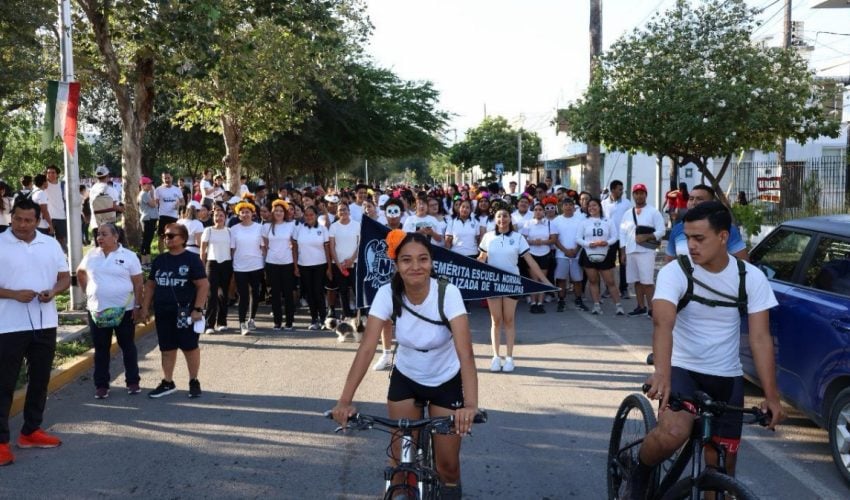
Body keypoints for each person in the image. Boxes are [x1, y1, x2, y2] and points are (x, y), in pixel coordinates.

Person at [625, 201, 785, 499]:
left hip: (726, 377)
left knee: (719, 469)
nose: (691, 246)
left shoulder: (750, 277)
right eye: (687, 238)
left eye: (700, 238)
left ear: (723, 237)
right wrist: (661, 372)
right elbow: (663, 322)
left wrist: (771, 397)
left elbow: (760, 338)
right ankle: (640, 470)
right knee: (673, 433)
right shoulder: (676, 272)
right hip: (682, 369)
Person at [332, 231, 478, 499]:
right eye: (407, 260)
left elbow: (465, 353)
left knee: (448, 467)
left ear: (432, 262)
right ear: (396, 264)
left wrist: (470, 406)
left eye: (423, 259)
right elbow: (366, 349)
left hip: (445, 379)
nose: (415, 266)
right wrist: (344, 400)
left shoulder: (448, 293)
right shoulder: (388, 293)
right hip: (407, 376)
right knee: (399, 462)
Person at [0, 198, 70, 465]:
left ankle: (30, 431)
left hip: (44, 323)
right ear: (11, 217)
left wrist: (52, 292)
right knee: (4, 384)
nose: (23, 224)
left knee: (40, 380)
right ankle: (1, 441)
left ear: (38, 220)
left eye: (29, 220)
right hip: (7, 326)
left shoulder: (50, 244)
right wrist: (12, 294)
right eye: (18, 219)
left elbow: (64, 277)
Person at [478, 204, 551, 372]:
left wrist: (544, 280)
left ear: (510, 219)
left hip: (512, 282)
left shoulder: (518, 238)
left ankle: (509, 357)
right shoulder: (488, 237)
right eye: (499, 217)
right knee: (495, 321)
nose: (502, 219)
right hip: (493, 282)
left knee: (509, 320)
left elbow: (530, 260)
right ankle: (496, 357)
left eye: (505, 216)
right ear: (494, 220)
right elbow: (481, 258)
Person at [140, 223, 209, 399]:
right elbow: (150, 285)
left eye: (171, 236)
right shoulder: (160, 260)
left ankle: (194, 381)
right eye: (165, 235)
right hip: (163, 312)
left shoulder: (192, 260)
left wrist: (197, 309)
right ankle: (168, 382)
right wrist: (145, 308)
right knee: (167, 348)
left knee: (189, 347)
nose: (167, 239)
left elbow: (203, 285)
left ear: (184, 239)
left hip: (185, 313)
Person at [77, 223, 144, 399]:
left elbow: (138, 283)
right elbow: (80, 274)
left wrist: (138, 306)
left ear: (116, 237)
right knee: (101, 349)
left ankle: (133, 381)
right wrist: (89, 292)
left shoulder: (129, 257)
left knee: (127, 346)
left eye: (104, 234)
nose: (99, 237)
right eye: (98, 234)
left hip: (124, 311)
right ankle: (101, 385)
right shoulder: (91, 255)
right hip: (97, 311)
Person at [665, 184, 749, 263]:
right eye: (691, 199)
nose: (694, 203)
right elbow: (669, 260)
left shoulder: (726, 229)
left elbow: (743, 262)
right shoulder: (677, 229)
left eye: (700, 199)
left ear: (711, 202)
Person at [618, 184, 665, 318]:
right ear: (633, 195)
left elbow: (661, 231)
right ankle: (640, 306)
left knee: (647, 281)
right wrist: (622, 252)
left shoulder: (653, 212)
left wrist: (647, 236)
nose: (639, 196)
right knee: (636, 280)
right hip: (630, 250)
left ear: (646, 195)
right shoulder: (627, 214)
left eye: (641, 193)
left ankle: (652, 309)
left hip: (646, 251)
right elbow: (622, 234)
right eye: (636, 193)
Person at [577, 198, 625, 316]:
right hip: (589, 254)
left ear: (600, 207)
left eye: (594, 205)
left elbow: (615, 236)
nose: (592, 208)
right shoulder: (584, 222)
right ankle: (596, 305)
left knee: (610, 281)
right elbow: (578, 238)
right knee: (593, 281)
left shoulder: (608, 221)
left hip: (605, 253)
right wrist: (589, 244)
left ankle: (618, 306)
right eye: (589, 206)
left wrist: (606, 243)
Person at [293, 205, 332, 330]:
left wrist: (329, 267)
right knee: (309, 293)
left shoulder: (323, 229)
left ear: (316, 215)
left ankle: (323, 319)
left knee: (318, 292)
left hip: (320, 265)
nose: (309, 217)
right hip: (304, 265)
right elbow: (294, 248)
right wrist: (295, 266)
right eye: (307, 215)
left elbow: (327, 249)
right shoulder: (298, 229)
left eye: (311, 214)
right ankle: (314, 319)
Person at [230, 202, 265, 335]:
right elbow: (232, 249)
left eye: (247, 212)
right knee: (243, 296)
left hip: (256, 265)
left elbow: (263, 247)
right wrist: (231, 266)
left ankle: (252, 319)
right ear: (239, 215)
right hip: (240, 267)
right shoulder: (234, 229)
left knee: (255, 294)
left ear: (252, 213)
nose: (245, 214)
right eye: (242, 212)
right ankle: (242, 323)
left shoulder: (259, 228)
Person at [262, 199, 297, 330]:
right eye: (276, 210)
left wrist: (295, 264)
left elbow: (294, 245)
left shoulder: (291, 225)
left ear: (285, 213)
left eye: (281, 211)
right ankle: (277, 321)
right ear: (272, 212)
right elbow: (265, 245)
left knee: (288, 293)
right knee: (275, 294)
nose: (278, 213)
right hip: (272, 263)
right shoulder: (266, 227)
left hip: (287, 263)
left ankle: (289, 322)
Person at [200, 205, 233, 333]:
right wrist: (202, 266)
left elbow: (232, 250)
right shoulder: (208, 230)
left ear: (225, 218)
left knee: (224, 294)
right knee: (211, 294)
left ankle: (222, 322)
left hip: (226, 263)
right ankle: (209, 324)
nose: (218, 218)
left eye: (221, 216)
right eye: (216, 216)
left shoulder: (229, 231)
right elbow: (203, 250)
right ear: (212, 217)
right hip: (212, 263)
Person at [552, 197, 588, 312]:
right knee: (561, 279)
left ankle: (578, 300)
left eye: (570, 205)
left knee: (577, 279)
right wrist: (565, 250)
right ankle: (561, 300)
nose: (568, 207)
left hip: (576, 255)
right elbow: (555, 239)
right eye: (565, 205)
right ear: (562, 207)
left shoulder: (580, 220)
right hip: (561, 255)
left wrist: (576, 250)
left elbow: (582, 237)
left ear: (574, 207)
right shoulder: (556, 220)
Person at [522, 202, 557, 313]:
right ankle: (533, 302)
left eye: (540, 209)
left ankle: (540, 303)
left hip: (545, 254)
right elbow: (523, 240)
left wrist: (542, 242)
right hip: (531, 255)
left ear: (544, 211)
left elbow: (553, 240)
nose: (538, 211)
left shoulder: (550, 224)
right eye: (536, 209)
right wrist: (533, 242)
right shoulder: (528, 223)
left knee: (542, 279)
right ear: (533, 212)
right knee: (534, 280)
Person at [328, 203, 360, 320]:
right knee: (342, 291)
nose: (343, 212)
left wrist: (351, 260)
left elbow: (359, 245)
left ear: (349, 211)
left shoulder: (357, 225)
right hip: (339, 265)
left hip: (354, 263)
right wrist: (338, 264)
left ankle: (359, 314)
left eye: (345, 209)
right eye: (340, 210)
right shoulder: (333, 227)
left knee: (356, 290)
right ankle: (346, 314)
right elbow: (332, 247)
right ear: (337, 212)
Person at [601, 180, 633, 299]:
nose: (621, 191)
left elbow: (630, 219)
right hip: (610, 238)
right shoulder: (604, 203)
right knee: (609, 264)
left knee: (624, 263)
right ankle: (609, 288)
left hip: (624, 238)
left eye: (622, 189)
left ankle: (624, 288)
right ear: (613, 190)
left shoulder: (627, 203)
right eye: (619, 189)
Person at [88, 166, 122, 244]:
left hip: (95, 223)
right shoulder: (111, 190)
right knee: (110, 247)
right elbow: (115, 206)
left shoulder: (92, 189)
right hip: (109, 225)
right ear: (107, 176)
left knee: (99, 250)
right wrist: (123, 209)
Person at [155, 171, 185, 253]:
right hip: (162, 215)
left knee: (173, 236)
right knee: (161, 236)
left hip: (174, 216)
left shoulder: (177, 189)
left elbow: (183, 202)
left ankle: (172, 253)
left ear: (172, 178)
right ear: (162, 179)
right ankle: (161, 255)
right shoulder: (158, 189)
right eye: (165, 178)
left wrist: (179, 204)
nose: (167, 180)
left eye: (168, 178)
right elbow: (155, 203)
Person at [44, 165, 67, 253]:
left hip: (61, 217)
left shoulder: (62, 185)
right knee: (48, 242)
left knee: (62, 241)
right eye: (48, 172)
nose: (50, 174)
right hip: (48, 218)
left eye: (53, 172)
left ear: (57, 174)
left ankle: (66, 259)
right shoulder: (44, 185)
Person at [138, 176, 158, 268]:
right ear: (143, 185)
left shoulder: (146, 193)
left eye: (151, 183)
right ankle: (143, 262)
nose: (151, 185)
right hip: (147, 219)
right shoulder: (144, 194)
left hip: (151, 219)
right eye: (148, 184)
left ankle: (148, 262)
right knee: (146, 241)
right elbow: (153, 204)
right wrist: (153, 194)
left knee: (148, 241)